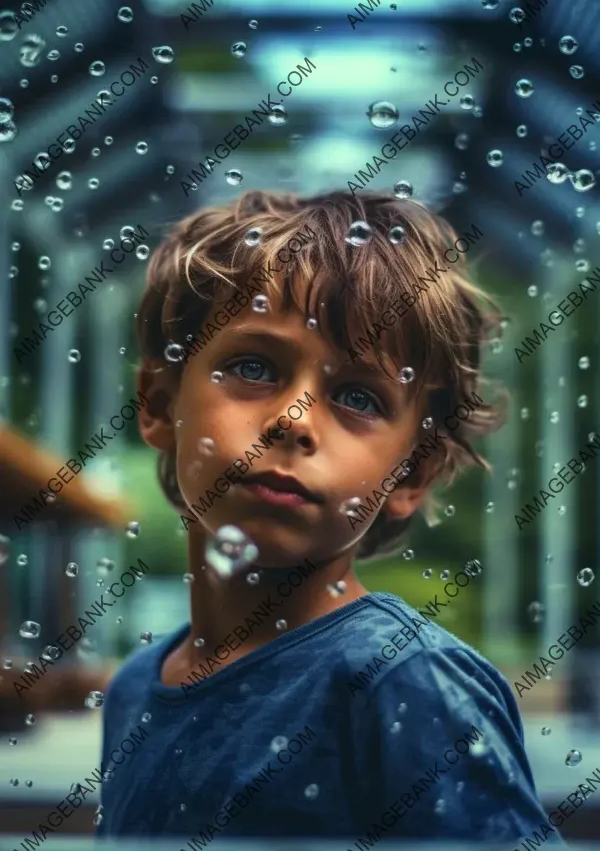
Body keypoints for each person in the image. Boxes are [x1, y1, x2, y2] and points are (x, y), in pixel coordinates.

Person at [98, 189, 564, 846]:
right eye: (253, 367)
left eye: (357, 396)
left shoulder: (399, 681)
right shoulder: (134, 691)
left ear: (411, 473)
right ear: (158, 405)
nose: (292, 420)